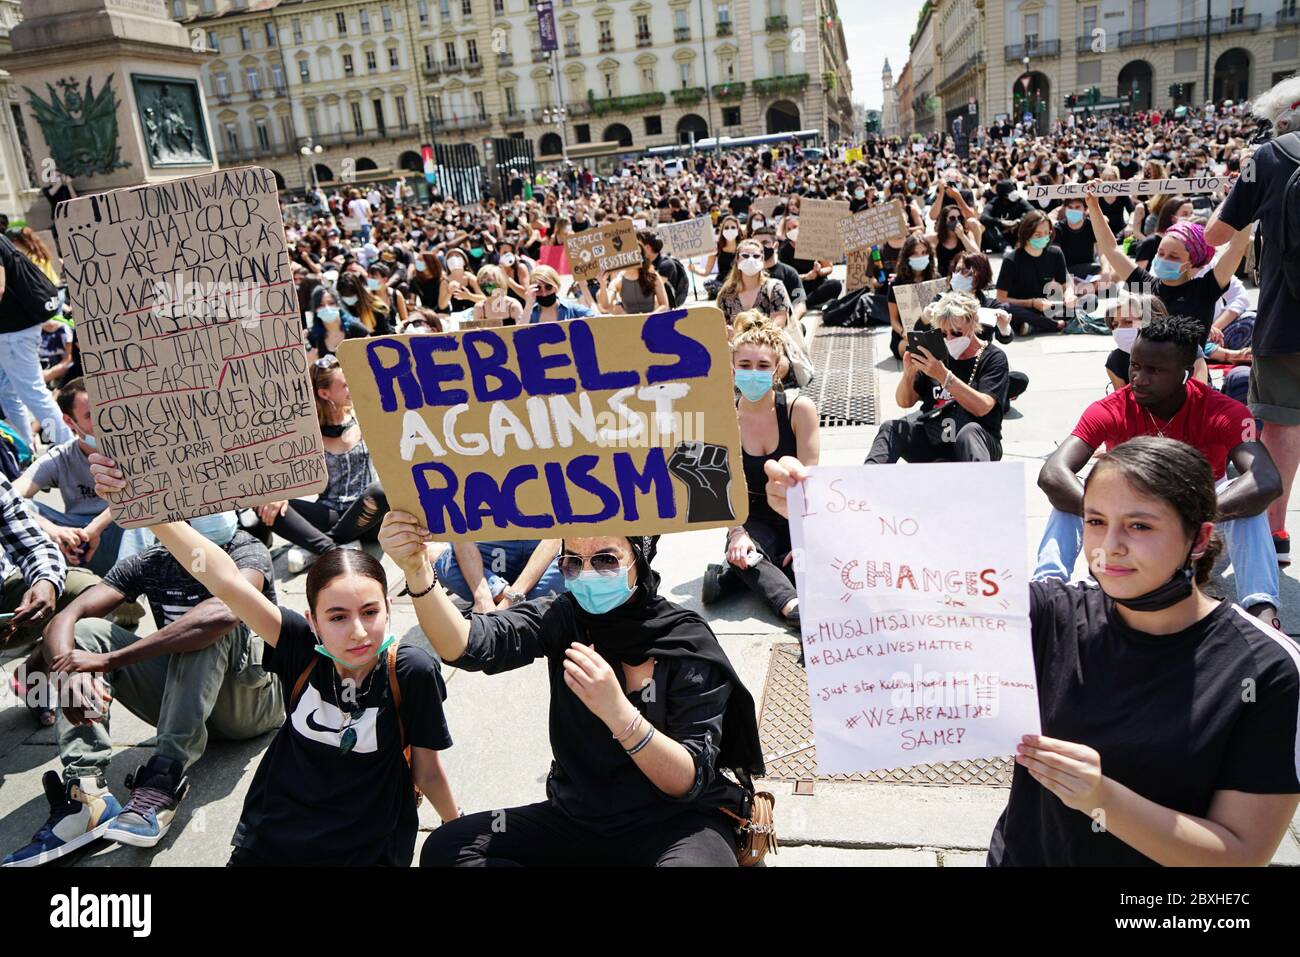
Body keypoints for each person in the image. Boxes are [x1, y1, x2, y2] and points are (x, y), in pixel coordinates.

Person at [763, 441, 1300, 867]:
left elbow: (1241, 854)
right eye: (1094, 521)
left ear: (1200, 538)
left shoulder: (1264, 669)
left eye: (1140, 525)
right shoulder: (1051, 613)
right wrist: (816, 513)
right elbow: (919, 589)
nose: (1108, 546)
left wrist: (1102, 797)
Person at [80, 467, 460, 865]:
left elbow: (427, 770)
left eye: (370, 611)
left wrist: (460, 831)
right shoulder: (300, 644)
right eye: (337, 617)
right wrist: (147, 507)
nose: (358, 631)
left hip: (366, 848)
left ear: (388, 608)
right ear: (313, 621)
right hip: (273, 837)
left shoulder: (411, 670)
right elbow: (225, 580)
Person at [377, 514, 766, 867]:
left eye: (606, 559)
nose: (587, 574)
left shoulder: (684, 641)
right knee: (448, 848)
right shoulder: (563, 617)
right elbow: (467, 645)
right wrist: (417, 570)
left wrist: (618, 713)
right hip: (582, 817)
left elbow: (687, 780)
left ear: (639, 560)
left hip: (677, 824)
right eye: (573, 562)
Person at [2, 512, 289, 866]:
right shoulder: (152, 559)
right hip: (185, 699)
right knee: (85, 633)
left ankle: (162, 779)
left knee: (208, 623)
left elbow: (222, 614)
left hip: (250, 704)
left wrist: (110, 661)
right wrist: (67, 669)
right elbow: (66, 617)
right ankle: (87, 792)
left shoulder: (246, 549)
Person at [1034, 314, 1283, 630]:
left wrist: (1183, 522)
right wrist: (1111, 517)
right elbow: (1052, 473)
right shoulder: (1109, 408)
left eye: (1154, 370)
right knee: (1069, 492)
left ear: (1185, 374)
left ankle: (1261, 613)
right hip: (1126, 540)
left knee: (1248, 500)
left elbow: (1267, 480)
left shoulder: (1224, 411)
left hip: (1197, 541)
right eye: (1135, 365)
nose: (1138, 378)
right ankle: (1045, 593)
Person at [1207, 75, 1300, 567]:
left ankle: (1273, 532)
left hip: (1289, 321)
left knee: (1281, 428)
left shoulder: (1270, 156)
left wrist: (1238, 189)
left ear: (1282, 120)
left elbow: (1216, 233)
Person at [702, 316, 819, 633]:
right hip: (750, 512)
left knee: (810, 559)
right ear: (732, 366)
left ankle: (729, 579)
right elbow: (720, 487)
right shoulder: (723, 418)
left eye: (763, 365)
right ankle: (793, 607)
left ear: (778, 368)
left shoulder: (799, 409)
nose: (753, 373)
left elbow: (811, 481)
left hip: (795, 508)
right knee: (746, 554)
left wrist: (806, 537)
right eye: (745, 364)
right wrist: (736, 531)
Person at [1089, 192, 1250, 383]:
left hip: (1191, 380)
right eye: (1161, 253)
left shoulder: (1206, 288)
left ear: (1192, 262)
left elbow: (1237, 248)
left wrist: (1243, 197)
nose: (1164, 259)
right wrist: (1093, 205)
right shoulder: (1145, 285)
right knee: (1116, 359)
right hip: (1150, 381)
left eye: (1173, 257)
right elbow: (1111, 249)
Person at [249, 357, 387, 574]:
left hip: (366, 515)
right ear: (325, 394)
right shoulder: (307, 431)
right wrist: (280, 494)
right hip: (329, 512)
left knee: (380, 491)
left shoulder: (364, 415)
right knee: (265, 505)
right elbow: (283, 470)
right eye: (345, 384)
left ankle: (318, 549)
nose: (351, 387)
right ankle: (334, 550)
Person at [867, 290, 1010, 464]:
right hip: (934, 436)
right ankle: (869, 481)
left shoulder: (993, 357)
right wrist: (909, 375)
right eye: (943, 333)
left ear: (973, 324)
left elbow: (983, 407)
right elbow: (904, 402)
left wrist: (943, 376)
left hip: (977, 441)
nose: (949, 338)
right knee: (891, 429)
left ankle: (979, 488)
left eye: (956, 333)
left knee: (969, 432)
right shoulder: (937, 353)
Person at [13, 378, 130, 577]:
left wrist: (95, 528)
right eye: (90, 415)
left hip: (119, 535)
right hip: (76, 539)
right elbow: (8, 496)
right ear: (69, 421)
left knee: (141, 517)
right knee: (19, 509)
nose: (102, 420)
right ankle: (36, 581)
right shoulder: (60, 457)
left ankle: (124, 587)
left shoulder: (133, 448)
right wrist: (53, 530)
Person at [0, 232, 70, 453]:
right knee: (7, 391)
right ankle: (24, 450)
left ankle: (69, 448)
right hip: (14, 331)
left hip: (13, 334)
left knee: (33, 393)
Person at [994, 210, 1074, 335]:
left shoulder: (1056, 253)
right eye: (1038, 234)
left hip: (1047, 307)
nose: (1043, 238)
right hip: (1021, 309)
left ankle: (1035, 327)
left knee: (1091, 300)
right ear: (1027, 234)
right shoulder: (1011, 260)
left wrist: (1069, 296)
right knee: (1005, 309)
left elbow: (1066, 284)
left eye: (1047, 233)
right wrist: (1031, 303)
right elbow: (1000, 298)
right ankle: (1055, 325)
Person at [435, 539, 563, 612]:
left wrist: (510, 599)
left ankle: (506, 602)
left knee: (574, 566)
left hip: (542, 554)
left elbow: (554, 538)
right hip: (489, 552)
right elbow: (461, 534)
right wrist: (482, 597)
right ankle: (527, 603)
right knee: (434, 554)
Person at [715, 239, 792, 328]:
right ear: (737, 260)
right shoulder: (726, 293)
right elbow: (722, 327)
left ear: (762, 260)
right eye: (745, 256)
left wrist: (743, 335)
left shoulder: (775, 288)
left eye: (756, 256)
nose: (751, 259)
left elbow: (778, 324)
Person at [305, 289, 368, 362]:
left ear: (338, 305)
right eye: (321, 305)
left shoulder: (356, 329)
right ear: (315, 310)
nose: (327, 308)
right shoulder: (313, 337)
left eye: (331, 303)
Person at [597, 252, 669, 315]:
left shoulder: (652, 277)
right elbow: (605, 306)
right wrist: (602, 284)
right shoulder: (618, 281)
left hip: (652, 323)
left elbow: (664, 305)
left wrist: (648, 318)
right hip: (630, 326)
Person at [524, 264, 595, 323]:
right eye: (538, 288)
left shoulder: (572, 309)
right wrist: (528, 305)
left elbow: (599, 319)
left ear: (556, 286)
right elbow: (517, 334)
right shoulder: (530, 313)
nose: (544, 293)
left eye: (548, 287)